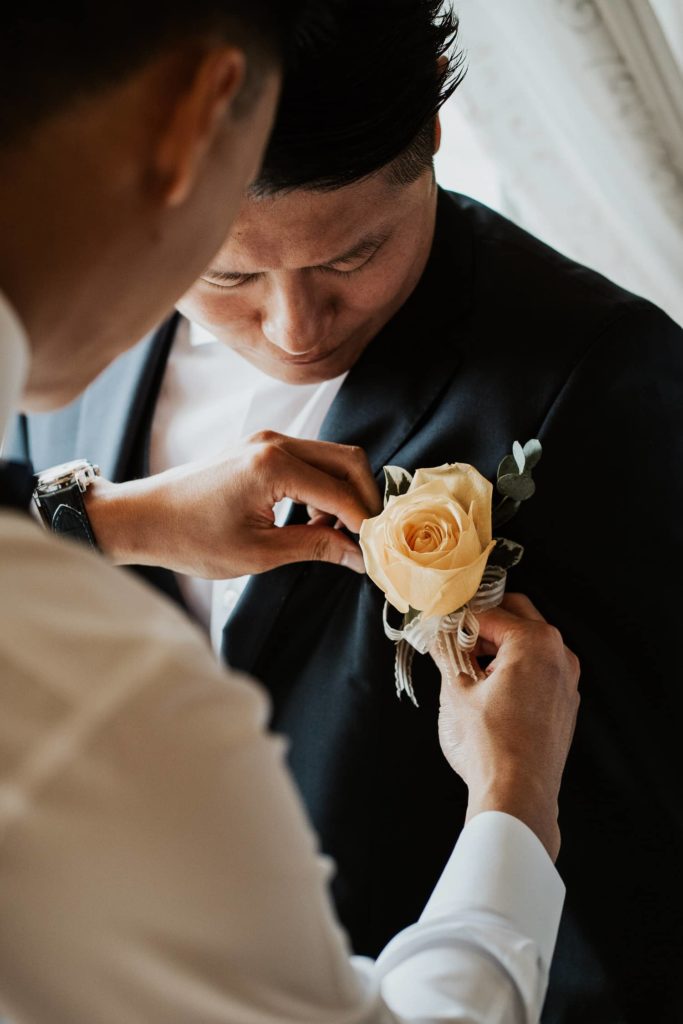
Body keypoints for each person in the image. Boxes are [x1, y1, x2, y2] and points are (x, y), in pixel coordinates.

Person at [11, 2, 681, 1020]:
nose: (291, 326)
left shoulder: (604, 384)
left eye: (351, 256)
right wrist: (110, 521)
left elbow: (639, 884)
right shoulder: (66, 317)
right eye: (228, 272)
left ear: (434, 146)